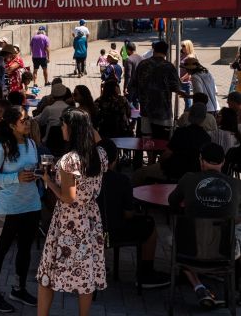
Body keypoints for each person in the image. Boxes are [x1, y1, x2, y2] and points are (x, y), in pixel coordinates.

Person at [37, 108, 108, 316]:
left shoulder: (70, 160)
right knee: (86, 274)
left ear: (72, 129)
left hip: (69, 220)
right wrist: (84, 121)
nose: (62, 128)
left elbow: (68, 197)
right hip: (90, 218)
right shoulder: (100, 155)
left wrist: (49, 181)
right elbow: (97, 138)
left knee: (48, 271)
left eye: (65, 124)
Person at [168, 143, 241, 308]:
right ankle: (235, 288)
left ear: (201, 161)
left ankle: (198, 286)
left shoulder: (188, 179)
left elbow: (172, 202)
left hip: (189, 251)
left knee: (178, 237)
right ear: (223, 162)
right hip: (225, 252)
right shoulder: (237, 184)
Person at [0, 108, 41, 311]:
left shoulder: (32, 143)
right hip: (7, 208)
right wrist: (14, 178)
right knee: (0, 251)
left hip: (31, 204)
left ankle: (19, 288)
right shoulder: (1, 148)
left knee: (25, 249)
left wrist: (41, 173)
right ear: (11, 125)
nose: (28, 123)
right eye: (23, 120)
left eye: (28, 120)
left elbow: (32, 168)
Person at [96, 140, 171, 288]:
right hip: (112, 233)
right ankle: (146, 273)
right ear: (115, 159)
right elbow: (128, 214)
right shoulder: (122, 180)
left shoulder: (84, 179)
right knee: (149, 224)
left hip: (92, 231)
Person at [132, 103, 211, 186]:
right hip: (193, 174)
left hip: (172, 171)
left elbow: (167, 154)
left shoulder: (181, 132)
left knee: (138, 174)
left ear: (189, 115)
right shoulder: (206, 138)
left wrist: (160, 162)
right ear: (204, 118)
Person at [135, 40, 184, 140]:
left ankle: (150, 156)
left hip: (145, 109)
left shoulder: (142, 64)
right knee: (162, 141)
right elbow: (176, 87)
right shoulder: (168, 66)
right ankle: (159, 156)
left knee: (147, 139)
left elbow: (134, 83)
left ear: (154, 50)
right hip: (163, 111)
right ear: (166, 53)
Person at [179, 40, 197, 109]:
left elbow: (191, 70)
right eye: (182, 46)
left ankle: (188, 112)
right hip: (181, 80)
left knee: (187, 98)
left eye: (184, 46)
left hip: (186, 81)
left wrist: (183, 78)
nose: (182, 48)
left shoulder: (190, 57)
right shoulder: (182, 55)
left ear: (188, 47)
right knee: (184, 98)